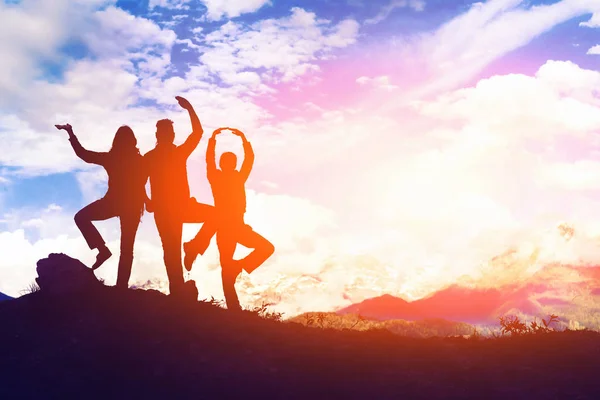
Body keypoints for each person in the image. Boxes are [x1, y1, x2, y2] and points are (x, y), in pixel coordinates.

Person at [184, 127, 274, 311]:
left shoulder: (233, 177)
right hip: (227, 227)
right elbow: (219, 161)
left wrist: (236, 139)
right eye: (229, 161)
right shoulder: (221, 177)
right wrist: (223, 140)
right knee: (230, 264)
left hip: (235, 226)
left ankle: (236, 267)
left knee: (262, 250)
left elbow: (246, 161)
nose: (231, 164)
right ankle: (234, 306)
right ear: (226, 164)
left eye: (232, 161)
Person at [55, 123, 147, 288]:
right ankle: (121, 287)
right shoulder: (139, 160)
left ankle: (103, 251)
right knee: (127, 249)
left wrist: (70, 133)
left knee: (81, 217)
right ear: (133, 141)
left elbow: (84, 154)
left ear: (116, 141)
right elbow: (143, 184)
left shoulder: (112, 158)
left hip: (114, 203)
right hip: (131, 207)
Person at [143, 96, 216, 296]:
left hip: (175, 207)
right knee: (171, 249)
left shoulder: (163, 155)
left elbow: (138, 182)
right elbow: (198, 133)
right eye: (168, 132)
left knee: (171, 249)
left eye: (171, 132)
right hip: (172, 209)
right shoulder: (166, 155)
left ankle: (193, 248)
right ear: (160, 134)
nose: (171, 135)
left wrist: (148, 202)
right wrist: (190, 109)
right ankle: (178, 288)